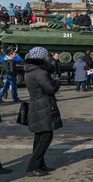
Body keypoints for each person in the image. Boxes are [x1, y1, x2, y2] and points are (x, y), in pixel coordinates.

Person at [24, 46, 62, 177]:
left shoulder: (29, 71)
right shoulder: (41, 72)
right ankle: (32, 166)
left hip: (35, 104)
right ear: (41, 57)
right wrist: (56, 81)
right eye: (46, 56)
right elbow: (51, 88)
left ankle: (40, 164)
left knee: (39, 136)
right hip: (43, 105)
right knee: (46, 136)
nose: (48, 58)